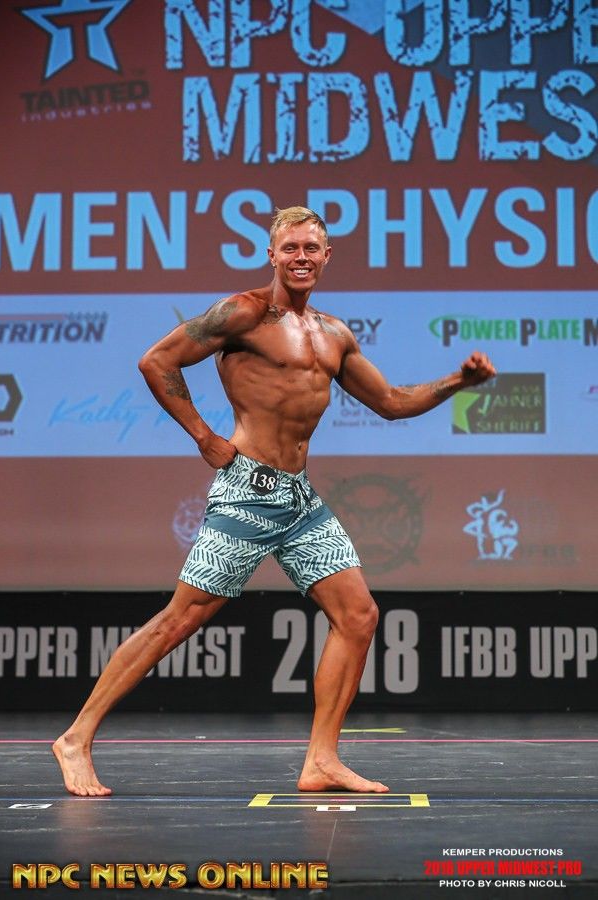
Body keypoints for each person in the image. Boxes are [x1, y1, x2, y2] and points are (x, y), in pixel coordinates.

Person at [53, 206, 496, 797]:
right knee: (180, 619)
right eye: (291, 248)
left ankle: (321, 760)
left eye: (311, 248)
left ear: (327, 255)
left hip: (297, 498)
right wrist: (204, 437)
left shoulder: (334, 334)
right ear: (272, 255)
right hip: (247, 491)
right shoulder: (243, 313)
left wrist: (459, 383)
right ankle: (76, 737)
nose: (301, 257)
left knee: (358, 616)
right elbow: (156, 361)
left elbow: (391, 402)